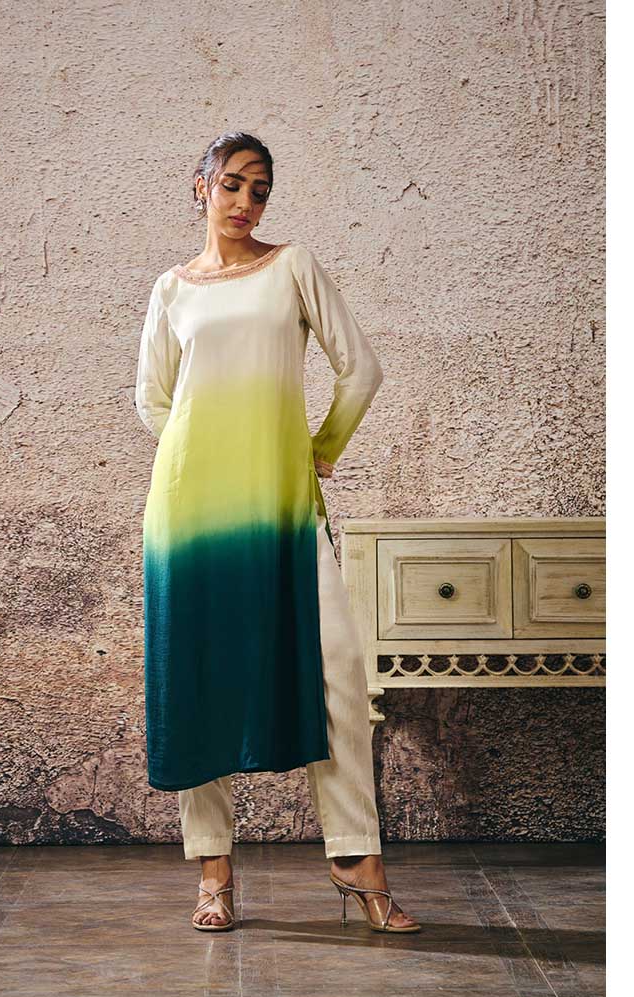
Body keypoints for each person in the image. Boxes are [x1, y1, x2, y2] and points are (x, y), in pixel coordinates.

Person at [135, 131, 420, 934]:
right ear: (200, 186)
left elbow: (361, 367)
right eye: (231, 184)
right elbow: (152, 400)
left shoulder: (292, 267)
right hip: (191, 511)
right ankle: (213, 869)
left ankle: (355, 857)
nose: (245, 202)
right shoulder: (172, 290)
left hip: (284, 503)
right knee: (197, 678)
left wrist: (318, 449)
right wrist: (207, 457)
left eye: (259, 190)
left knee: (338, 676)